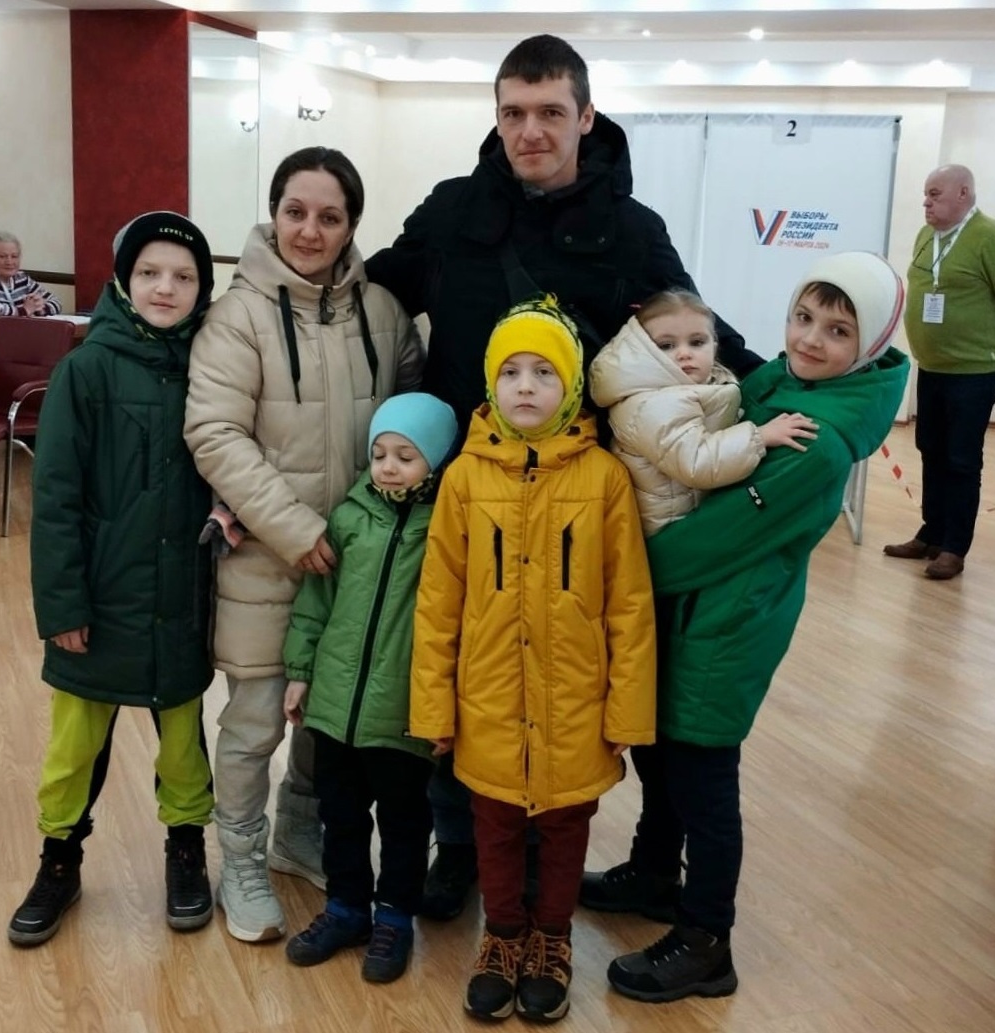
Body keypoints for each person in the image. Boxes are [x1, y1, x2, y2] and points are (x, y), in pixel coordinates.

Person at [366, 31, 762, 923]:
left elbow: (698, 335)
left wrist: (802, 391)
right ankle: (462, 846)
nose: (530, 131)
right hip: (470, 483)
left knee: (590, 670)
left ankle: (590, 857)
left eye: (550, 112)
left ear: (585, 117)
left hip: (588, 496)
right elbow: (371, 291)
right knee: (469, 665)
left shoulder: (631, 227)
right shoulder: (452, 208)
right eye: (513, 112)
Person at [589, 252, 909, 1004]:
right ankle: (653, 873)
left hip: (725, 620)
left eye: (837, 330)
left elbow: (710, 540)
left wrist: (610, 575)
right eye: (803, 317)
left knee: (702, 775)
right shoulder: (787, 382)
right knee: (663, 750)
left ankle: (706, 941)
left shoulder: (819, 439)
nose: (810, 339)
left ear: (868, 343)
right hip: (693, 607)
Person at [184, 146, 424, 944]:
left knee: (329, 720)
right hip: (266, 557)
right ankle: (240, 859)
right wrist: (294, 529)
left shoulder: (384, 313)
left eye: (329, 216)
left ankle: (296, 832)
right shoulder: (237, 316)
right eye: (295, 211)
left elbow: (413, 421)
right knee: (255, 722)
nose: (310, 230)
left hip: (358, 568)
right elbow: (214, 433)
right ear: (273, 213)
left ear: (352, 224)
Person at [410, 296, 656, 1023]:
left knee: (564, 828)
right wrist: (434, 706)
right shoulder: (463, 478)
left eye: (543, 372)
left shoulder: (604, 478)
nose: (525, 386)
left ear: (571, 386)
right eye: (510, 371)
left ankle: (551, 938)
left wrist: (625, 713)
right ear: (490, 383)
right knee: (491, 826)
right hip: (486, 700)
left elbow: (629, 605)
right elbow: (438, 602)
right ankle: (503, 936)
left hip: (574, 702)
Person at [8, 211, 217, 947]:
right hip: (99, 598)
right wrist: (62, 603)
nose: (166, 287)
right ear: (124, 281)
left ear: (202, 288)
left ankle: (185, 850)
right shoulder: (85, 369)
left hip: (181, 595)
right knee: (75, 745)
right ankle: (58, 859)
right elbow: (56, 497)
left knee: (184, 743)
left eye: (184, 276)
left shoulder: (211, 368)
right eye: (150, 272)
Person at [280, 393, 458, 984]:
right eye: (379, 454)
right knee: (341, 815)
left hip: (404, 711)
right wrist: (301, 672)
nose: (388, 467)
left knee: (405, 823)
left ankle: (395, 917)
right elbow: (316, 601)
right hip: (335, 706)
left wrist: (447, 708)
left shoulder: (447, 528)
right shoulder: (350, 516)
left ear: (435, 460)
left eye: (405, 456)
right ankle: (346, 908)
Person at [883, 164, 995, 580]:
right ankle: (931, 532)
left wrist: (987, 345)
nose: (925, 203)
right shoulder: (926, 236)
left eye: (934, 194)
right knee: (931, 449)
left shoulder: (993, 239)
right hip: (932, 367)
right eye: (925, 195)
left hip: (975, 373)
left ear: (963, 193)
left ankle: (954, 547)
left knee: (961, 459)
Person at [591, 290, 818, 536]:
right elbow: (696, 463)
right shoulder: (652, 404)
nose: (684, 353)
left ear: (714, 344)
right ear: (643, 350)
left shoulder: (706, 380)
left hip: (695, 510)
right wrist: (760, 436)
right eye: (666, 346)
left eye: (697, 342)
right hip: (668, 531)